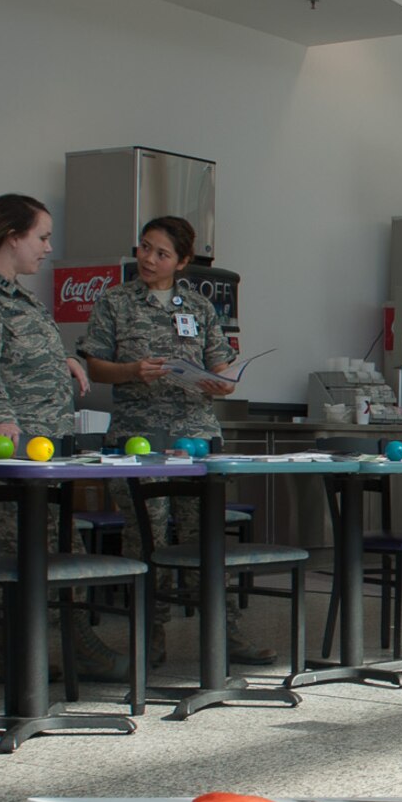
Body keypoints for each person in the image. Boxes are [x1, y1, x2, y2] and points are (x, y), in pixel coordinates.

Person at [0, 194, 129, 683]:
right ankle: (38, 649)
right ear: (12, 236)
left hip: (46, 447)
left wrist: (63, 360)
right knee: (30, 547)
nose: (49, 248)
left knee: (47, 544)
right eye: (42, 237)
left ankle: (13, 650)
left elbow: (20, 352)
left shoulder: (20, 294)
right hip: (14, 448)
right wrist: (0, 419)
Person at [80, 216, 271, 665]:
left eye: (161, 253)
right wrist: (131, 371)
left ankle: (225, 632)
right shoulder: (115, 301)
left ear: (182, 262)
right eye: (144, 247)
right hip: (138, 437)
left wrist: (222, 383)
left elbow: (221, 366)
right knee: (146, 535)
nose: (148, 258)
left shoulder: (200, 308)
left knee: (204, 534)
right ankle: (151, 635)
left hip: (196, 437)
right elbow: (94, 366)